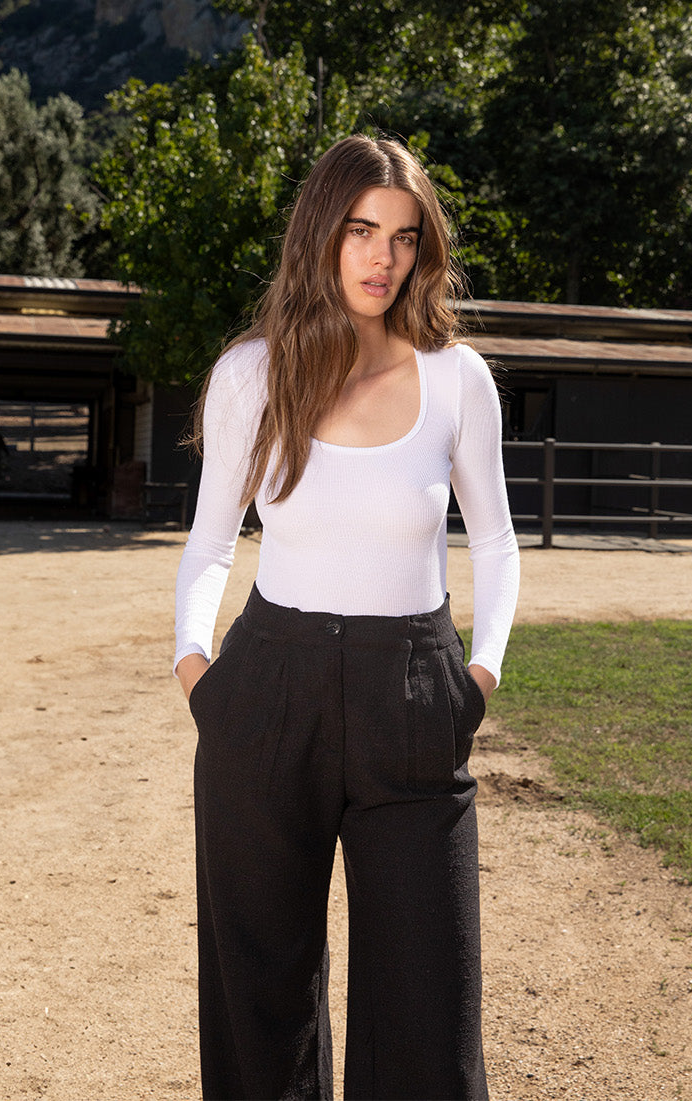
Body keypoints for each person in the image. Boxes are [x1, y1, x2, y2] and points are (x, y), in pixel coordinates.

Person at [174, 133, 520, 1101]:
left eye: (404, 237)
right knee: (260, 1000)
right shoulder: (252, 372)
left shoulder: (459, 380)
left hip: (413, 693)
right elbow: (209, 544)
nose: (383, 257)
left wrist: (478, 676)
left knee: (430, 1009)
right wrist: (198, 672)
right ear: (322, 232)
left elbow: (495, 542)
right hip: (267, 687)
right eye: (363, 229)